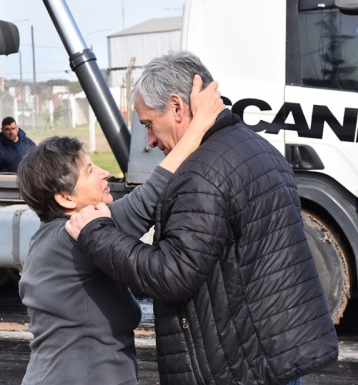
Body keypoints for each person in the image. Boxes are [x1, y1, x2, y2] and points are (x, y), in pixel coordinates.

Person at [66, 51, 339, 385]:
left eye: (150, 124)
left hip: (236, 367)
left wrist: (97, 234)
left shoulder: (202, 172)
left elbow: (173, 274)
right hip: (272, 356)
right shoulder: (258, 148)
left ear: (178, 107)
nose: (150, 141)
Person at [17, 76, 225, 385]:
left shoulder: (51, 238)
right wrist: (198, 127)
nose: (104, 172)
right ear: (65, 198)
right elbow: (145, 203)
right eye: (90, 171)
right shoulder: (70, 239)